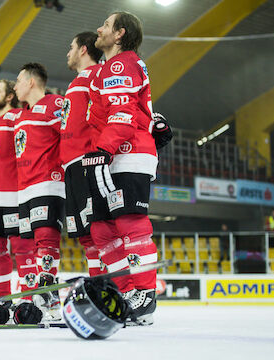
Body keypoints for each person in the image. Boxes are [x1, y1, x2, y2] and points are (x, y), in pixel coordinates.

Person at [84, 11, 159, 326]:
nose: (98, 28)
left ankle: (145, 293)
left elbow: (124, 113)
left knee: (130, 221)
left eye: (105, 24)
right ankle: (126, 290)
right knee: (102, 229)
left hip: (126, 153)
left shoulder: (120, 64)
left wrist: (103, 149)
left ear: (119, 34)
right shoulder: (110, 67)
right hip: (113, 156)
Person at [13, 63, 65, 316]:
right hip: (25, 187)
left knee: (46, 238)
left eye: (18, 81)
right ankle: (43, 297)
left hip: (48, 181)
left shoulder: (55, 103)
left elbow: (70, 135)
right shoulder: (21, 115)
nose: (15, 86)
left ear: (31, 82)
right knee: (32, 243)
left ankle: (49, 291)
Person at [0, 80, 33, 301]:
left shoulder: (19, 117)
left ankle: (29, 300)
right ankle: (2, 301)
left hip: (13, 194)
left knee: (23, 248)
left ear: (10, 96)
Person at [61, 32, 104, 277]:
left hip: (88, 160)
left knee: (100, 230)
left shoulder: (98, 75)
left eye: (71, 46)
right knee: (86, 236)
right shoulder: (76, 82)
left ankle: (115, 288)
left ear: (84, 49)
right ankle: (98, 284)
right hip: (71, 164)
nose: (68, 52)